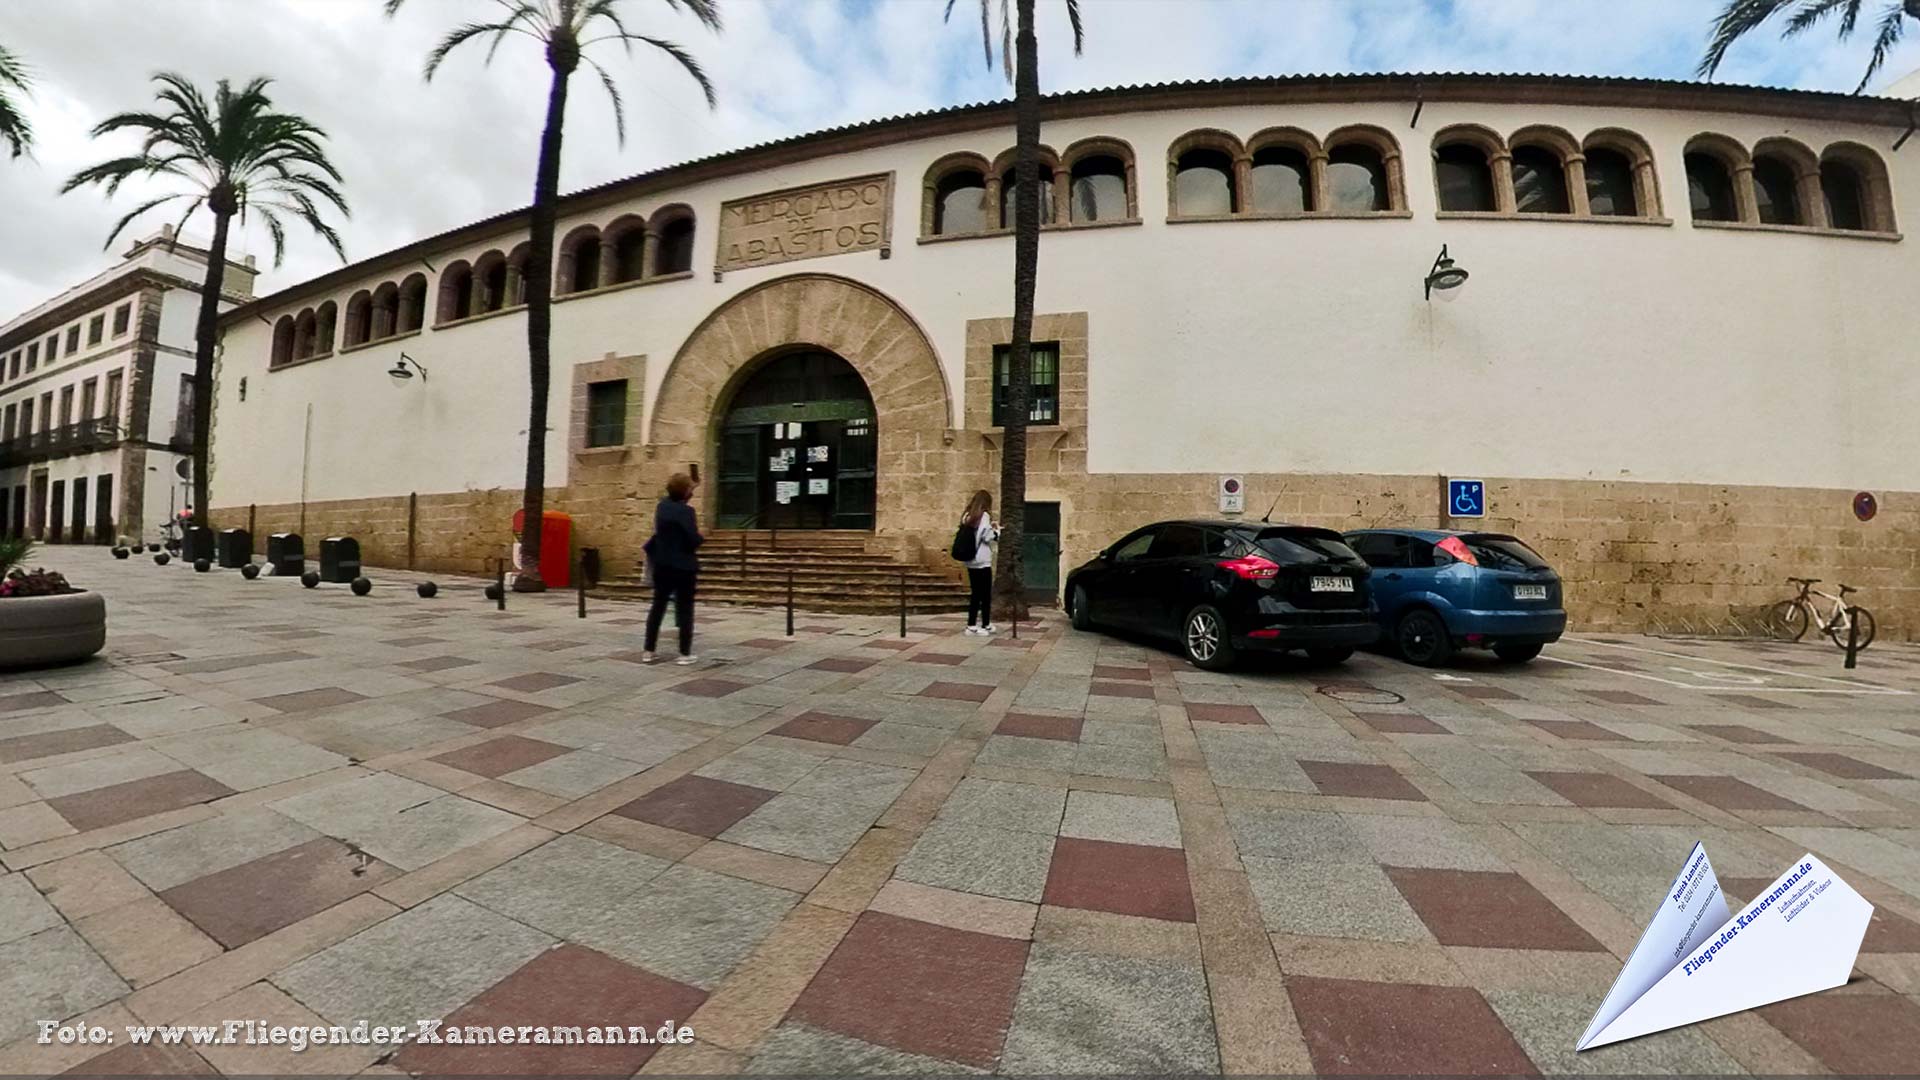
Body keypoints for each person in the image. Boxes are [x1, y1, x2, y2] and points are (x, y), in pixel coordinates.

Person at [641, 473, 703, 664]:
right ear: (685, 491)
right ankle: (684, 654)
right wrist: (702, 537)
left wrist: (693, 485)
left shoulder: (662, 507)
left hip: (662, 564)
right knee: (685, 608)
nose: (691, 492)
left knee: (657, 606)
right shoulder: (687, 512)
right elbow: (692, 539)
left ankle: (648, 651)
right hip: (683, 566)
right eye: (690, 489)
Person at [960, 489, 1000, 635]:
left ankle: (975, 624)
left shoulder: (967, 515)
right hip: (982, 560)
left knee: (976, 593)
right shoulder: (984, 516)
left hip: (971, 560)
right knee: (985, 594)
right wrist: (996, 532)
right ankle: (982, 624)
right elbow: (986, 536)